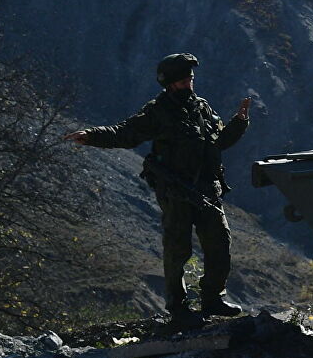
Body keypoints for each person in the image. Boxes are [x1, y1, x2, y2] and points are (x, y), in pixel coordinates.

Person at [66, 53, 251, 325]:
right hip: (176, 192)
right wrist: (93, 136)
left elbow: (218, 142)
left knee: (219, 242)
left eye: (190, 78)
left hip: (207, 189)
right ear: (171, 83)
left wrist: (239, 122)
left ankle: (213, 299)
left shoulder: (202, 108)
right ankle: (178, 307)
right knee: (178, 249)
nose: (190, 82)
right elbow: (125, 133)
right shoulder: (158, 111)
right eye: (184, 79)